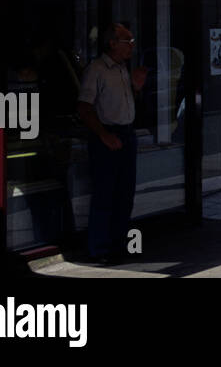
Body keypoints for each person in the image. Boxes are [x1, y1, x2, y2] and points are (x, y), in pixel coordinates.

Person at [76, 22, 147, 264]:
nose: (132, 46)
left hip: (127, 134)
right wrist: (104, 135)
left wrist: (137, 87)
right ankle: (99, 249)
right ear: (112, 43)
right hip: (106, 135)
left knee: (125, 194)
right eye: (128, 41)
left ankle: (117, 245)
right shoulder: (96, 69)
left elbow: (126, 100)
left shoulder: (123, 68)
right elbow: (84, 107)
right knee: (105, 194)